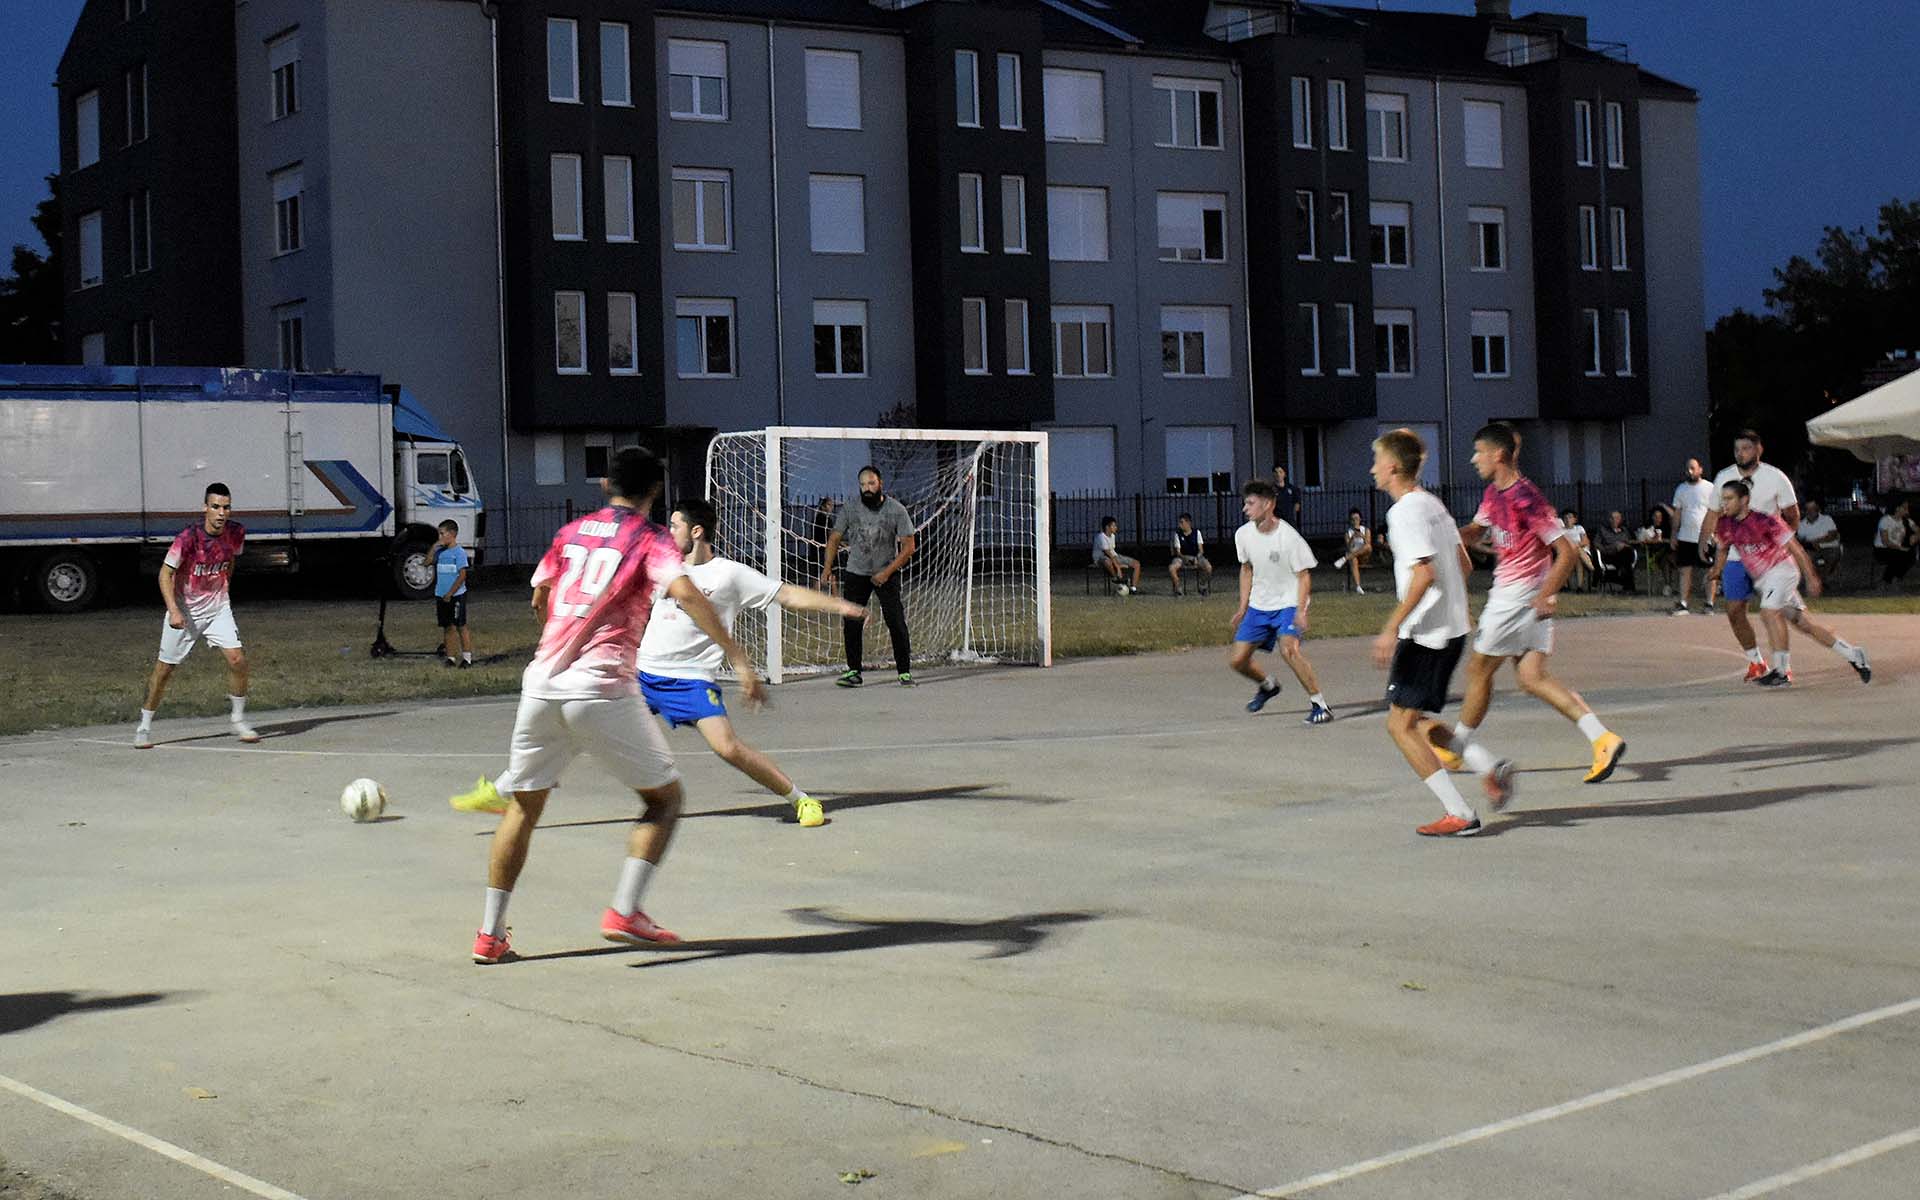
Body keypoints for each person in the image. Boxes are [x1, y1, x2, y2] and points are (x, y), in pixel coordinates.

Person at [461, 447, 763, 965]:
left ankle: (490, 935)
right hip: (601, 687)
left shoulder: (570, 532)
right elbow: (688, 594)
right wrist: (737, 657)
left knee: (523, 806)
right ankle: (625, 910)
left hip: (542, 685)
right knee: (664, 800)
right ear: (655, 492)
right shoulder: (649, 538)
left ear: (605, 485)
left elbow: (539, 597)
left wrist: (561, 642)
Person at [1433, 423, 1626, 786]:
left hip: (1516, 594)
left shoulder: (1527, 499)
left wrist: (1547, 594)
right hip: (1521, 594)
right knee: (1531, 677)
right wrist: (1449, 536)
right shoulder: (1494, 493)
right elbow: (1477, 530)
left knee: (1478, 669)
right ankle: (1603, 739)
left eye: (1478, 452)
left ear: (1498, 455)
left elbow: (1567, 551)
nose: (1473, 459)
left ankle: (1457, 748)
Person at [1368, 428, 1515, 837]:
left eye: (1377, 461)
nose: (1372, 469)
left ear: (1392, 466)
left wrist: (1391, 627)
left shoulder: (1403, 513)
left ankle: (1460, 813)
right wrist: (1456, 608)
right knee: (1413, 718)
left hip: (1425, 634)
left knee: (1399, 725)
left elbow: (1424, 574)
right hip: (1450, 630)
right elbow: (1463, 563)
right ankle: (1488, 765)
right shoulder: (1433, 504)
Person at [1710, 479, 1870, 687]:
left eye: (1729, 498)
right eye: (1723, 499)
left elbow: (1796, 549)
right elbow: (1723, 548)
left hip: (1782, 571)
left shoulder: (1765, 521)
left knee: (1768, 613)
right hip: (1765, 580)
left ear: (1744, 500)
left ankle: (1782, 671)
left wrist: (1811, 577)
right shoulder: (1726, 524)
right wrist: (1717, 570)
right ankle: (1854, 654)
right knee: (1805, 624)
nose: (1725, 503)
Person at [135, 483, 257, 749]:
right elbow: (165, 574)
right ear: (205, 508)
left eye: (226, 507)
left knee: (238, 660)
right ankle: (144, 725)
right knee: (165, 670)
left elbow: (231, 560)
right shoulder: (188, 538)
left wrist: (224, 588)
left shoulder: (236, 532)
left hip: (217, 607)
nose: (221, 513)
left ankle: (238, 719)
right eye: (215, 507)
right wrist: (174, 610)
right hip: (186, 610)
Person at [1230, 480, 1333, 725]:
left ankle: (1320, 705)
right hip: (1259, 605)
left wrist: (1300, 611)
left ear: (1267, 504)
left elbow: (1304, 576)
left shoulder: (1288, 537)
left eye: (1250, 503)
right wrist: (1243, 606)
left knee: (1289, 650)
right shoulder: (1243, 535)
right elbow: (1246, 569)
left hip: (1288, 601)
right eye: (1245, 503)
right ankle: (1268, 686)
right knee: (1238, 661)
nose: (1245, 508)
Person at [1702, 430, 1800, 681]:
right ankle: (1756, 662)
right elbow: (1714, 512)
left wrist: (1782, 542)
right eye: (1737, 449)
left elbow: (1792, 515)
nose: (1740, 454)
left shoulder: (1775, 477)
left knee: (1785, 614)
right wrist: (1704, 539)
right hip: (1736, 557)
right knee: (1734, 610)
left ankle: (1784, 667)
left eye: (1746, 448)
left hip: (1768, 559)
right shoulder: (1724, 477)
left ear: (1759, 449)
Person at [818, 466, 917, 687]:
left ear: (880, 483)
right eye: (863, 484)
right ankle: (854, 671)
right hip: (856, 572)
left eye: (871, 483)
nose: (867, 488)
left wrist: (886, 573)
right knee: (851, 621)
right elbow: (834, 538)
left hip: (886, 573)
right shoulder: (850, 508)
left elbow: (909, 547)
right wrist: (827, 567)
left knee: (896, 621)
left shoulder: (896, 510)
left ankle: (904, 672)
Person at [1670, 457, 1717, 614]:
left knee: (1709, 570)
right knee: (1685, 570)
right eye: (1688, 469)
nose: (1690, 471)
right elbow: (1677, 513)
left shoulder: (1710, 488)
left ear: (1700, 470)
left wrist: (1715, 533)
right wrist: (1674, 534)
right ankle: (1683, 603)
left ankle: (1709, 603)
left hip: (1705, 537)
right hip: (1685, 537)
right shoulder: (1681, 489)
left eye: (1693, 468)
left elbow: (1716, 512)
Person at [433, 519, 474, 668]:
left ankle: (467, 658)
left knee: (460, 625)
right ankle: (450, 657)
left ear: (452, 534)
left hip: (456, 595)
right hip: (441, 594)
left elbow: (462, 575)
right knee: (447, 626)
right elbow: (427, 561)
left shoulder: (459, 553)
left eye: (442, 534)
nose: (440, 537)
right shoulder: (440, 552)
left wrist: (451, 592)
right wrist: (434, 547)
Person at [1795, 498, 1843, 586]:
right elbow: (1801, 540)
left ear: (1818, 509)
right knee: (1806, 559)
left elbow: (1833, 535)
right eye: (1807, 509)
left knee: (1833, 556)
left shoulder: (1827, 519)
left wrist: (1816, 542)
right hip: (1811, 549)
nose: (1810, 511)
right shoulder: (1802, 524)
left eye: (1812, 509)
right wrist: (1811, 545)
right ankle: (1818, 580)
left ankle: (1822, 579)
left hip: (1829, 547)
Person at [1094, 516, 1143, 595]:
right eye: (1113, 526)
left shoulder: (1113, 536)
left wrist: (1118, 563)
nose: (1116, 528)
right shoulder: (1101, 537)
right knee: (1107, 562)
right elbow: (1107, 553)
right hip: (1101, 558)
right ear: (1107, 527)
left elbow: (1112, 553)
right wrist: (1118, 567)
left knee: (1136, 564)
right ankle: (1116, 578)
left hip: (1114, 556)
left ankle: (1133, 589)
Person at [1592, 510, 1639, 592]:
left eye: (1617, 518)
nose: (1615, 520)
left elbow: (1631, 543)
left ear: (1620, 519)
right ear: (1609, 519)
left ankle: (1624, 581)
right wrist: (1611, 548)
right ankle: (1628, 584)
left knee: (1625, 553)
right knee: (1626, 560)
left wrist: (1624, 545)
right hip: (1610, 555)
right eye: (1612, 518)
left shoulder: (1625, 531)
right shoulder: (1603, 530)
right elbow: (1596, 544)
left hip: (1624, 553)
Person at [1873, 499, 1915, 588]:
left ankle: (1897, 577)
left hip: (1896, 548)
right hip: (1882, 549)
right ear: (1897, 508)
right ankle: (1886, 581)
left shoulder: (1906, 521)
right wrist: (1901, 548)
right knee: (1898, 555)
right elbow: (1885, 541)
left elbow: (1917, 529)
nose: (1907, 510)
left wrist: (1915, 536)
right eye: (1905, 508)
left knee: (1912, 555)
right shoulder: (1885, 520)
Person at [1168, 513, 1211, 596]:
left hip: (1196, 557)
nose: (1180, 525)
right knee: (1172, 568)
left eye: (1182, 522)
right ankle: (1178, 587)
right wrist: (1186, 558)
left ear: (1188, 523)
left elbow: (1201, 550)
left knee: (1208, 567)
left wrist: (1196, 557)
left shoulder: (1197, 533)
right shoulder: (1178, 534)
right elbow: (1178, 552)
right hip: (1182, 558)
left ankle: (1202, 585)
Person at [1334, 508, 1374, 593]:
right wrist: (1352, 538)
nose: (1355, 521)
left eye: (1356, 519)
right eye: (1353, 519)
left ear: (1360, 519)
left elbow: (1368, 544)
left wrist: (1362, 536)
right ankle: (1358, 586)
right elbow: (1349, 547)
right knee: (1353, 559)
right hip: (1354, 555)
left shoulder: (1366, 530)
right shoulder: (1348, 533)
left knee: (1368, 547)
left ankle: (1344, 559)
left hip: (1364, 556)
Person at [1560, 509, 1592, 591]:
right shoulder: (1561, 531)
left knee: (1577, 555)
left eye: (1570, 517)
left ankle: (1579, 586)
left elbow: (1585, 541)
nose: (1567, 520)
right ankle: (1580, 586)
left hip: (1582, 552)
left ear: (1574, 519)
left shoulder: (1579, 528)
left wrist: (1575, 546)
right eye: (1565, 518)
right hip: (1568, 553)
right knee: (1577, 558)